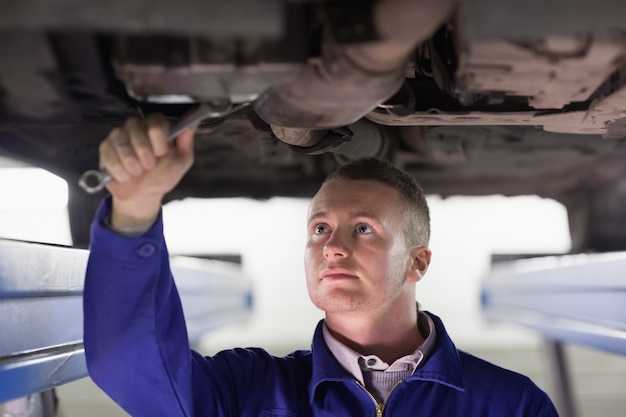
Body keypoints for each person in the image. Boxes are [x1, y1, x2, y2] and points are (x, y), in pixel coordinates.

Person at [83, 114, 559, 416]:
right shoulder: (248, 391)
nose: (332, 246)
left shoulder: (512, 404)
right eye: (320, 229)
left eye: (364, 228)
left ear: (418, 262)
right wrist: (135, 209)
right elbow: (129, 366)